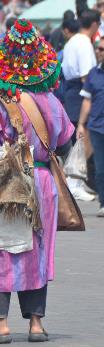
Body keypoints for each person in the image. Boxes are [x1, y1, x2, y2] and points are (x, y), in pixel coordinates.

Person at [0, 19, 74, 344]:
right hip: (43, 182)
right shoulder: (54, 104)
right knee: (37, 252)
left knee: (0, 248)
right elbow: (66, 145)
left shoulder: (0, 107)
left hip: (10, 184)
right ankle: (36, 324)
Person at [62, 9, 100, 201]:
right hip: (81, 91)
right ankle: (73, 181)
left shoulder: (73, 40)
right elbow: (87, 76)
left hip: (71, 90)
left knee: (81, 138)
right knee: (86, 137)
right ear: (94, 24)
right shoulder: (84, 43)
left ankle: (75, 179)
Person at [77, 36, 104, 217]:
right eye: (98, 48)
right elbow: (87, 100)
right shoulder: (93, 73)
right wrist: (81, 124)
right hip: (96, 127)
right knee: (100, 167)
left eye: (102, 49)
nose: (98, 51)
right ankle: (103, 202)